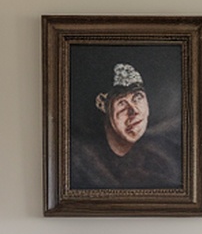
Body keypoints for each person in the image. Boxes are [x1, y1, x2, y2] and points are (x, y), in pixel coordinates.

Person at [70, 61, 182, 191]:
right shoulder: (80, 160)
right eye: (122, 103)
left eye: (138, 97)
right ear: (101, 104)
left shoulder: (168, 156)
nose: (134, 111)